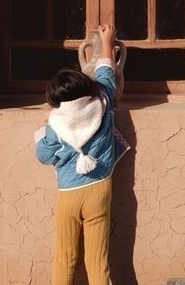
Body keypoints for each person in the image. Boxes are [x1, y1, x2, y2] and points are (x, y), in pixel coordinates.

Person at [34, 24, 129, 285]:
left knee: (65, 258)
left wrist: (45, 126)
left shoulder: (56, 126)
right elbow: (106, 71)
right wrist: (107, 41)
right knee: (98, 261)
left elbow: (43, 155)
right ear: (87, 87)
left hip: (69, 194)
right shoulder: (103, 100)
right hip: (100, 189)